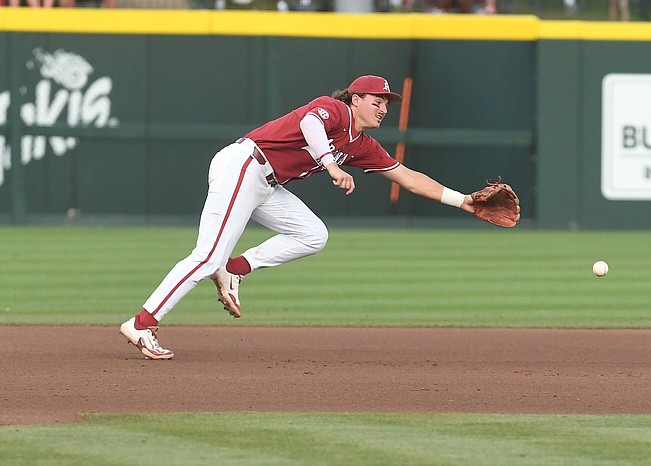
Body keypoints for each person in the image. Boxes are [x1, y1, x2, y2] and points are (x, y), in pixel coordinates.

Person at [120, 75, 477, 360]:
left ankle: (236, 269)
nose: (383, 108)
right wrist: (331, 164)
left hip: (266, 183)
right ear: (355, 99)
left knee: (312, 235)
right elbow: (310, 124)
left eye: (386, 103)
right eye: (376, 101)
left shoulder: (362, 144)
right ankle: (141, 323)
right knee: (207, 254)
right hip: (244, 165)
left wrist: (463, 201)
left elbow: (409, 179)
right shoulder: (333, 109)